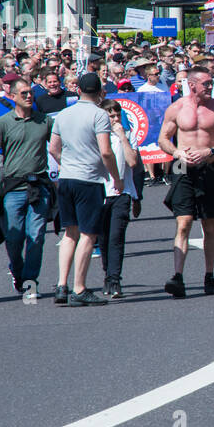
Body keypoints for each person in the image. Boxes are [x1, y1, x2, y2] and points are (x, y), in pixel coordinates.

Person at [157, 65, 214, 296]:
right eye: (206, 84)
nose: (211, 87)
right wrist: (177, 153)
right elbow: (163, 139)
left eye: (211, 83)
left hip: (208, 165)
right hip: (182, 165)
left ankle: (209, 275)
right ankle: (178, 276)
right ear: (192, 85)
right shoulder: (177, 108)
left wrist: (209, 151)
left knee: (208, 224)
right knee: (183, 222)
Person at [50, 72, 123, 306]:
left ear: (78, 90)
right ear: (100, 92)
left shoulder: (64, 114)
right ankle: (79, 287)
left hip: (67, 177)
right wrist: (116, 178)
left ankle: (62, 285)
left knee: (69, 233)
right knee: (88, 234)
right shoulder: (99, 115)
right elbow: (106, 151)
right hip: (88, 179)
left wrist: (66, 163)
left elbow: (53, 148)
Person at [0, 78, 54, 301]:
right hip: (13, 188)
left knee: (37, 236)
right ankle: (17, 271)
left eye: (30, 93)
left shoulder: (45, 121)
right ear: (13, 96)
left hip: (39, 187)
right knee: (14, 237)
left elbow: (57, 148)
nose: (28, 96)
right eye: (23, 93)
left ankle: (30, 282)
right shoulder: (3, 122)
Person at [98, 98, 141, 297]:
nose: (115, 118)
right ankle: (108, 274)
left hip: (122, 193)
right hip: (100, 192)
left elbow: (132, 162)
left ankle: (115, 279)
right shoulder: (98, 136)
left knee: (116, 237)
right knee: (103, 238)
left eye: (117, 115)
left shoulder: (128, 135)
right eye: (111, 115)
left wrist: (122, 137)